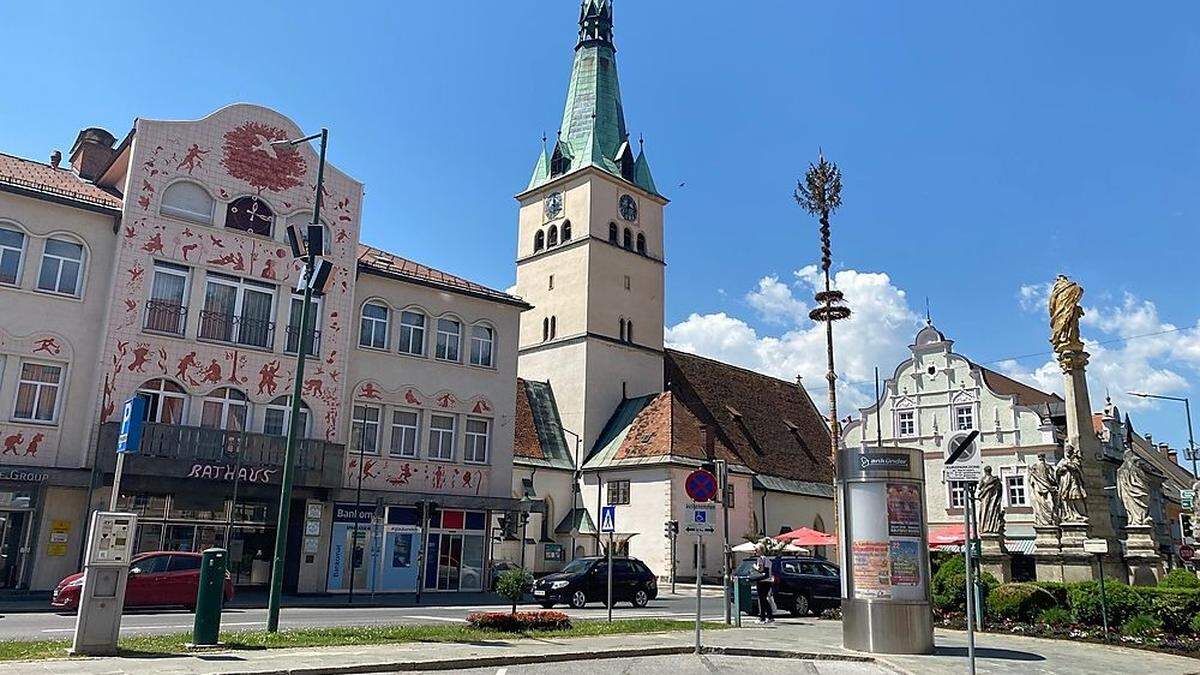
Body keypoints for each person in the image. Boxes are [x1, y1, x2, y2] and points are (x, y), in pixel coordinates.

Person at [754, 544, 775, 624]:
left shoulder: (760, 559)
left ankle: (764, 617)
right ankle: (767, 616)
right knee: (764, 598)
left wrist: (754, 567)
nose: (755, 551)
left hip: (762, 581)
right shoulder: (767, 559)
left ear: (761, 550)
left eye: (756, 550)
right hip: (768, 581)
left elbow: (760, 569)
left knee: (762, 599)